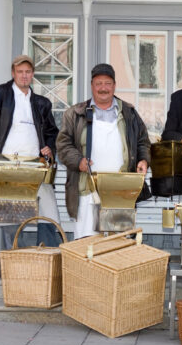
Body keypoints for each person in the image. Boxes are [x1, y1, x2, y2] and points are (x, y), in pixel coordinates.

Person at [56, 63, 151, 239]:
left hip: (120, 190)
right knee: (88, 242)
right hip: (87, 189)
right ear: (92, 86)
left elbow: (142, 141)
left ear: (114, 85)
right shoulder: (75, 113)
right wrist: (78, 161)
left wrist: (143, 160)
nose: (103, 88)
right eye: (98, 83)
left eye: (107, 83)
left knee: (118, 241)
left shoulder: (129, 113)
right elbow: (63, 145)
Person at [0, 55, 60, 249]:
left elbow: (51, 132)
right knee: (10, 215)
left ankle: (46, 259)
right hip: (6, 165)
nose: (24, 75)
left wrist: (49, 147)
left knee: (48, 212)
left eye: (28, 72)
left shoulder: (42, 103)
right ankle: (16, 263)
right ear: (13, 73)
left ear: (32, 75)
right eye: (20, 71)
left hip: (36, 166)